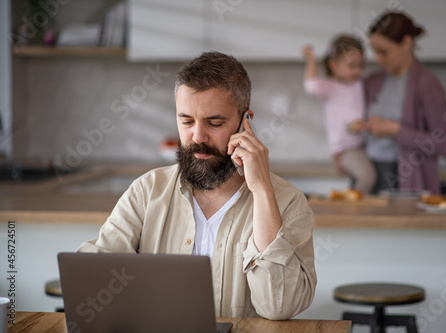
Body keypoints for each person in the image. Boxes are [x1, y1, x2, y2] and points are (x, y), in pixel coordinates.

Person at [77, 51, 317, 320]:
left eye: (215, 123)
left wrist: (261, 191)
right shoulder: (147, 191)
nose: (198, 136)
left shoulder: (289, 204)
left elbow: (279, 307)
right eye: (187, 121)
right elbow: (93, 282)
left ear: (245, 122)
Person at [354, 11, 446, 194]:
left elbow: (445, 145)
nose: (377, 59)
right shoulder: (373, 82)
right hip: (368, 174)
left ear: (407, 43)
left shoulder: (427, 84)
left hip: (404, 179)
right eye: (375, 52)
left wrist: (395, 130)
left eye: (383, 52)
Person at [302, 35, 376, 194]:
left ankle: (355, 206)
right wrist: (311, 59)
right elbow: (311, 86)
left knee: (364, 178)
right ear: (334, 65)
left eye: (361, 65)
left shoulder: (357, 84)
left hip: (360, 145)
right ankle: (356, 211)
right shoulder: (330, 86)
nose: (358, 71)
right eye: (351, 66)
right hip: (344, 149)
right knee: (367, 177)